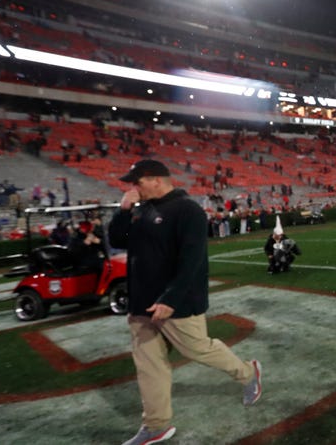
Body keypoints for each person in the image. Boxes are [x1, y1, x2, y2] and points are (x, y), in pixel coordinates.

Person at [108, 159, 263, 445]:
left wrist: (171, 298)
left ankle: (247, 372)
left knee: (199, 349)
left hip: (175, 304)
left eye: (137, 181)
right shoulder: (141, 210)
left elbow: (193, 260)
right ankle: (156, 425)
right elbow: (117, 239)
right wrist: (123, 210)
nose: (133, 187)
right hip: (141, 304)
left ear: (155, 179)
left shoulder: (187, 210)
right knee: (149, 366)